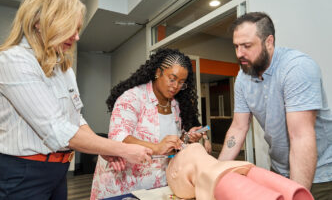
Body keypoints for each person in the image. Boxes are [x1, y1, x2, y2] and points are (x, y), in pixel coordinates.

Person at [0, 0, 152, 200]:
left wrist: (101, 148)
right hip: (23, 174)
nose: (77, 37)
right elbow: (57, 129)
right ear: (40, 22)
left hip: (57, 171)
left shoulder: (63, 68)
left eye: (78, 29)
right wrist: (122, 149)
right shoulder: (13, 60)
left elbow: (75, 118)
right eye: (71, 27)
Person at [218, 12, 332, 200]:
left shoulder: (297, 68)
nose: (239, 54)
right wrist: (216, 171)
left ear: (269, 42)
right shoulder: (243, 77)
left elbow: (301, 137)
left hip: (319, 174)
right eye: (236, 46)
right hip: (279, 170)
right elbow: (238, 128)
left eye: (246, 46)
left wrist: (295, 193)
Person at [91, 48, 204, 199]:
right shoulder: (133, 97)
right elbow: (118, 136)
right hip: (123, 185)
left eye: (181, 83)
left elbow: (170, 144)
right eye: (172, 79)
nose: (176, 86)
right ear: (158, 72)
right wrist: (156, 148)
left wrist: (186, 138)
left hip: (156, 185)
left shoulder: (176, 106)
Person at [166, 143, 313, 200]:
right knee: (288, 191)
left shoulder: (176, 168)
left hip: (218, 178)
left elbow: (183, 192)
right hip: (238, 168)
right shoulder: (196, 148)